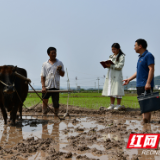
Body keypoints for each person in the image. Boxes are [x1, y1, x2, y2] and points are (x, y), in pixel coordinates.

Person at [123, 39, 154, 123]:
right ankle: (147, 126)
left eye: (135, 45)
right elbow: (138, 72)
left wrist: (148, 83)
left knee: (146, 107)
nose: (134, 48)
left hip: (145, 85)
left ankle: (146, 126)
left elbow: (151, 69)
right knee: (144, 107)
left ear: (140, 46)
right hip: (139, 85)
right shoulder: (140, 57)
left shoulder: (148, 55)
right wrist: (129, 79)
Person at [40, 47, 65, 115]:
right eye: (52, 53)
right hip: (47, 86)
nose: (54, 54)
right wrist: (43, 87)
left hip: (56, 86)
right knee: (44, 101)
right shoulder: (45, 64)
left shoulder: (59, 63)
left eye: (55, 53)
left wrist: (60, 70)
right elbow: (42, 76)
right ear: (48, 54)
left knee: (56, 103)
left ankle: (56, 117)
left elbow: (62, 75)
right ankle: (44, 116)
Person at [102, 43, 125, 110]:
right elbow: (109, 64)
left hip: (117, 75)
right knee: (111, 90)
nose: (113, 51)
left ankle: (118, 105)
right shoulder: (111, 56)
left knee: (117, 90)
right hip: (110, 75)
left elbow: (120, 66)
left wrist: (111, 65)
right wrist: (106, 64)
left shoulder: (121, 56)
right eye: (112, 49)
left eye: (114, 49)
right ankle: (112, 105)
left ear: (118, 49)